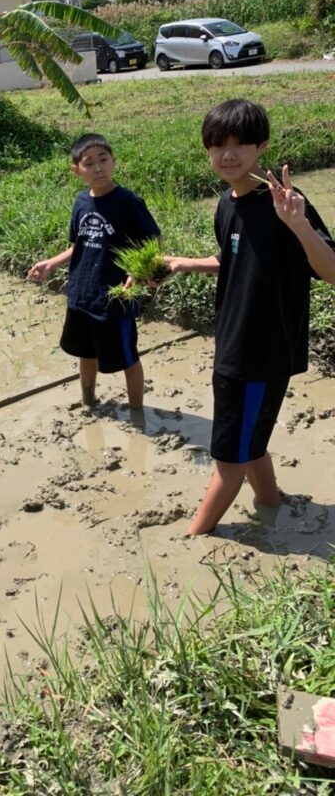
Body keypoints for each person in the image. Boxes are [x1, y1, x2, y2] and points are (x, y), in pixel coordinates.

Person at [164, 99, 335, 536]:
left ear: (262, 147)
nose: (228, 154)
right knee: (248, 441)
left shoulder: (285, 204)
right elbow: (236, 258)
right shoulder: (227, 204)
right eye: (218, 145)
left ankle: (194, 538)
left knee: (229, 462)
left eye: (241, 144)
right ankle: (271, 504)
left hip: (262, 355)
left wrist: (297, 224)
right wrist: (185, 263)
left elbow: (330, 271)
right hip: (232, 346)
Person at [28, 132, 161, 412]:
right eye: (89, 163)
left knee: (128, 359)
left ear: (114, 161)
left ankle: (137, 412)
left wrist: (136, 272)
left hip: (115, 298)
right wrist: (52, 262)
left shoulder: (128, 202)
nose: (98, 168)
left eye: (103, 160)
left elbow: (154, 242)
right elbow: (78, 244)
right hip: (81, 295)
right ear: (77, 171)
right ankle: (88, 400)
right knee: (85, 353)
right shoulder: (81, 202)